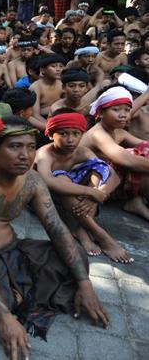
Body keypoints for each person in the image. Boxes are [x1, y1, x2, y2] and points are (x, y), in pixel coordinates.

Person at [0, 115, 109, 358]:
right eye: (15, 147)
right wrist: (5, 318)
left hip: (12, 248)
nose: (25, 155)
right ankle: (11, 303)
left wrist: (85, 283)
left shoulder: (32, 180)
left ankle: (15, 295)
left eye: (30, 147)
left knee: (78, 255)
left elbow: (57, 229)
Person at [34, 110, 132, 262]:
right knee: (61, 178)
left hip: (78, 201)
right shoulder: (45, 154)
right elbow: (48, 180)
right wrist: (89, 192)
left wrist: (96, 195)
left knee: (98, 166)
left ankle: (80, 229)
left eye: (76, 133)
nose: (71, 139)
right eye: (63, 134)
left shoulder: (83, 152)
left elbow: (114, 177)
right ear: (50, 135)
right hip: (46, 198)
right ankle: (102, 236)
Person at [80, 86, 149, 221]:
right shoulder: (97, 133)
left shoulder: (119, 132)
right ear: (100, 113)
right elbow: (128, 161)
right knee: (137, 157)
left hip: (110, 182)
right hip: (87, 185)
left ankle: (136, 202)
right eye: (116, 110)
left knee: (145, 150)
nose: (123, 114)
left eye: (127, 110)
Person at [30, 54, 65, 119]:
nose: (58, 69)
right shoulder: (36, 87)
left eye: (61, 66)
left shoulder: (61, 84)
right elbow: (35, 115)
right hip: (42, 120)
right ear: (43, 70)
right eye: (53, 66)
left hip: (60, 118)